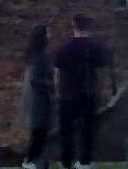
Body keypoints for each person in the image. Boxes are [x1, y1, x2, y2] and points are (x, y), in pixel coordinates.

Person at [53, 13, 110, 169]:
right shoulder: (96, 47)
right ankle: (84, 162)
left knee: (66, 131)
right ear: (88, 26)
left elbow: (58, 73)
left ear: (74, 26)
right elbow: (101, 73)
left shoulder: (63, 48)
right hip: (88, 93)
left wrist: (58, 92)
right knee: (87, 129)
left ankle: (66, 162)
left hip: (67, 94)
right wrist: (99, 91)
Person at [19, 25, 53, 169]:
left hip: (34, 100)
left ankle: (34, 160)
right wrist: (52, 84)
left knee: (39, 134)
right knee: (39, 134)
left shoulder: (34, 55)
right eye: (48, 32)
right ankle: (30, 161)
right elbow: (35, 80)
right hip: (39, 102)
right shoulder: (40, 57)